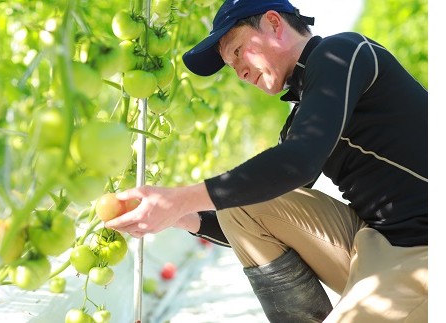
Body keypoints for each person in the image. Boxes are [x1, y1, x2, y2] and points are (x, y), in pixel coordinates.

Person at [105, 0, 428, 321]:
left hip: (423, 246)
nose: (240, 72)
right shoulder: (303, 116)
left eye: (237, 52)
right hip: (375, 243)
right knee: (241, 204)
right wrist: (178, 216)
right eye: (231, 67)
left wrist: (179, 198)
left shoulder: (343, 52)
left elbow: (299, 160)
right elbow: (250, 214)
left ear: (274, 24)